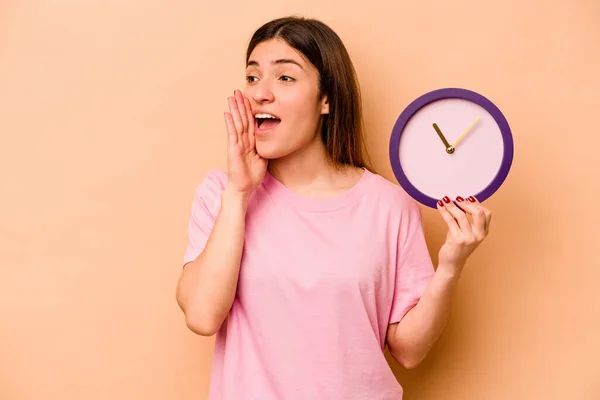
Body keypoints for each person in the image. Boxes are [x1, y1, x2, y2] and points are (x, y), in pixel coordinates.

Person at [176, 15, 492, 400]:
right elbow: (202, 316)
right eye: (253, 77)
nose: (260, 92)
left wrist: (451, 265)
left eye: (285, 77)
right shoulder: (221, 195)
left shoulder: (389, 206)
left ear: (326, 99)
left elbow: (409, 350)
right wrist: (239, 192)